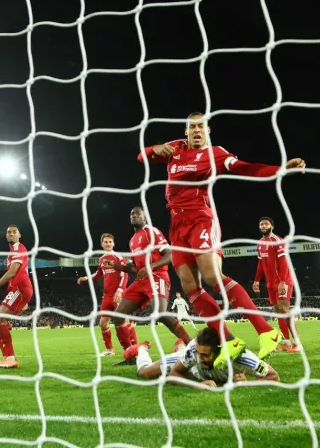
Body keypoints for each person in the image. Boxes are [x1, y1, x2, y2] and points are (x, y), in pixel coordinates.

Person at [138, 112, 305, 359]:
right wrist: (155, 148)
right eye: (192, 127)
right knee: (189, 285)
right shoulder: (175, 149)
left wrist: (279, 170)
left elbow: (245, 168)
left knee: (212, 276)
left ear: (208, 131)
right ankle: (229, 341)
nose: (196, 130)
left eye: (201, 127)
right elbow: (141, 157)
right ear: (186, 131)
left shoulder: (214, 153)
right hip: (177, 225)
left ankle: (266, 331)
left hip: (201, 219)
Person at [104, 207, 193, 360]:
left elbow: (170, 254)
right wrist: (117, 266)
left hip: (157, 276)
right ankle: (131, 356)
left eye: (137, 214)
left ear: (144, 217)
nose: (134, 216)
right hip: (141, 281)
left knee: (160, 313)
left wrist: (151, 266)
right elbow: (135, 268)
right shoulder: (132, 241)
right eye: (131, 214)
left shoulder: (152, 231)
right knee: (118, 316)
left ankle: (191, 345)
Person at [129, 327, 278, 389]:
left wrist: (247, 383)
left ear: (218, 351)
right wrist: (198, 385)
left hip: (190, 357)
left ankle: (180, 347)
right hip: (187, 361)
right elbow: (174, 374)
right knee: (145, 373)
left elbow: (273, 376)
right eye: (199, 354)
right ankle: (142, 349)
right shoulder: (194, 351)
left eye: (205, 355)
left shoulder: (240, 357)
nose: (200, 358)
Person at [0, 225, 34, 369]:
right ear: (6, 236)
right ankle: (7, 357)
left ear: (19, 235)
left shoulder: (19, 249)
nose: (11, 234)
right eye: (9, 232)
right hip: (17, 290)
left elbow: (12, 272)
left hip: (20, 289)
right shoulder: (13, 251)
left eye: (14, 232)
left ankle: (10, 357)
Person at [77, 233, 132, 356]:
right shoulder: (102, 259)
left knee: (124, 322)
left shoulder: (119, 257)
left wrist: (120, 290)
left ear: (113, 243)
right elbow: (98, 274)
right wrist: (85, 278)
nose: (108, 244)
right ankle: (110, 350)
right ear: (102, 244)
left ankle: (132, 347)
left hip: (118, 294)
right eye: (105, 242)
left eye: (110, 242)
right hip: (107, 296)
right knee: (103, 323)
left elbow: (125, 274)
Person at [252, 217, 298, 352]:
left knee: (285, 310)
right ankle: (286, 342)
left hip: (282, 281)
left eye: (266, 224)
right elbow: (261, 263)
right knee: (278, 312)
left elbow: (283, 262)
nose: (263, 226)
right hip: (270, 282)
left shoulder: (277, 241)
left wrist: (283, 281)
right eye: (261, 224)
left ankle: (297, 343)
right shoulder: (260, 243)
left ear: (272, 226)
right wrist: (256, 280)